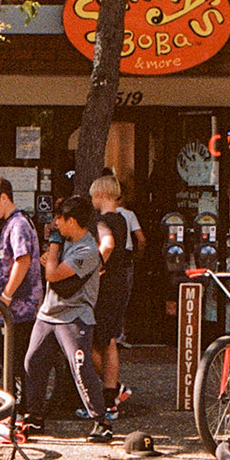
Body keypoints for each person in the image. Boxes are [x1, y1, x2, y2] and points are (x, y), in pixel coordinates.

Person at [19, 195, 111, 442]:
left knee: (81, 368)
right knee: (33, 362)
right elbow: (51, 267)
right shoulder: (69, 242)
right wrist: (51, 256)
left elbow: (52, 274)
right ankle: (34, 417)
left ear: (72, 221)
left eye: (60, 219)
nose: (56, 224)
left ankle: (101, 421)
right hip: (48, 314)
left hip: (74, 316)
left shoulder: (87, 250)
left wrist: (53, 247)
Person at [89, 174, 134, 418]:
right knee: (110, 340)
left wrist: (93, 267)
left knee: (92, 341)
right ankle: (111, 391)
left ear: (101, 195)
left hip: (105, 285)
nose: (92, 201)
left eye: (93, 197)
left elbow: (107, 245)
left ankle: (111, 391)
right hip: (118, 283)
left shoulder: (103, 220)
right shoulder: (123, 218)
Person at [0, 176, 42, 347]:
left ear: (3, 197)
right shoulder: (12, 222)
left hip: (20, 308)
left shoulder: (18, 224)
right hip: (13, 309)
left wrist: (6, 296)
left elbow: (22, 260)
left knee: (16, 356)